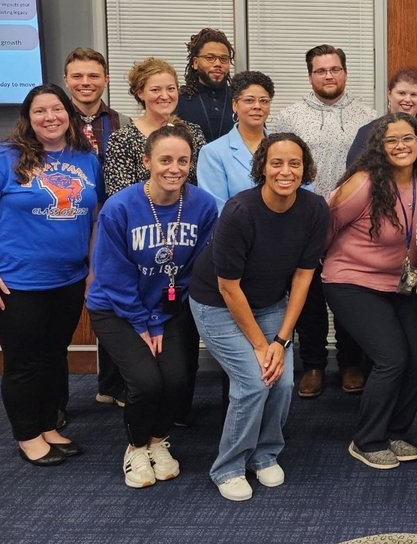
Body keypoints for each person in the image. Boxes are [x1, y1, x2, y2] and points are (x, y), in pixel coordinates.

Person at [189, 133, 328, 502]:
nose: (286, 171)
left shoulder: (314, 209)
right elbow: (228, 288)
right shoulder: (240, 211)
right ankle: (229, 467)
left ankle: (265, 454)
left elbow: (303, 278)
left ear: (305, 168)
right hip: (217, 303)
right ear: (262, 167)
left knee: (280, 382)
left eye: (294, 163)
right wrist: (261, 344)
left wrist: (281, 341)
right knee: (253, 382)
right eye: (277, 163)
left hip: (270, 304)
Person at [86, 124, 218, 488]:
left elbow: (199, 266)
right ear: (147, 161)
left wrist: (160, 319)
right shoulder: (120, 207)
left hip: (169, 307)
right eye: (164, 160)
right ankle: (135, 447)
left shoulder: (203, 205)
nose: (174, 168)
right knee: (145, 381)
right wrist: (144, 323)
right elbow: (112, 276)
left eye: (182, 160)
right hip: (116, 308)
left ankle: (158, 440)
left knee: (176, 379)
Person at [0, 84, 102, 466]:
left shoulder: (86, 158)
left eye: (57, 109)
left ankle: (48, 425)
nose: (50, 117)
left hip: (69, 279)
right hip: (17, 281)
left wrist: (91, 269)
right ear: (28, 117)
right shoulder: (3, 157)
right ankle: (27, 435)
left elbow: (94, 217)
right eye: (40, 111)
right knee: (24, 362)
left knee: (55, 356)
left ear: (69, 115)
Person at [324, 113, 417, 470]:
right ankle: (368, 439)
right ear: (380, 146)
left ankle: (396, 431)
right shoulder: (363, 183)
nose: (401, 146)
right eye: (392, 140)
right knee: (392, 357)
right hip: (351, 280)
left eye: (408, 138)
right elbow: (326, 229)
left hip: (402, 282)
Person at [272, 44, 378, 398]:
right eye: (321, 70)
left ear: (345, 73)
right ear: (310, 76)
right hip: (303, 217)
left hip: (354, 221)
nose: (328, 76)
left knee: (350, 292)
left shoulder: (369, 117)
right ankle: (314, 365)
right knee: (309, 293)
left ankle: (350, 363)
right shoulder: (289, 117)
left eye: (334, 69)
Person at [63, 46, 130, 409]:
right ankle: (55, 402)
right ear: (66, 80)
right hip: (68, 221)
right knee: (63, 314)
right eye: (78, 76)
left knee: (113, 299)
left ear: (105, 80)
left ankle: (112, 384)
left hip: (110, 224)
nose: (86, 83)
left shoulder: (118, 122)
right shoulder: (54, 119)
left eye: (93, 76)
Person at [104, 58, 207, 196]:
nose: (165, 96)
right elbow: (120, 195)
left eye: (171, 89)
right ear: (140, 93)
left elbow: (204, 184)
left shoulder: (194, 133)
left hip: (188, 213)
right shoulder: (122, 139)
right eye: (155, 90)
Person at [197, 71, 275, 211]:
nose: (257, 106)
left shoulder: (284, 145)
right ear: (235, 105)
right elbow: (217, 209)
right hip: (236, 230)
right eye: (249, 100)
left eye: (264, 101)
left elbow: (304, 192)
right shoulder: (213, 153)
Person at [347, 67, 417, 169]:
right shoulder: (367, 132)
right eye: (402, 93)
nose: (407, 99)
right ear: (389, 94)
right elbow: (354, 170)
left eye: (414, 94)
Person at [176, 28, 235, 144]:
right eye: (210, 58)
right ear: (195, 63)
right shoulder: (178, 99)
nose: (218, 64)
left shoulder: (240, 98)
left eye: (223, 59)